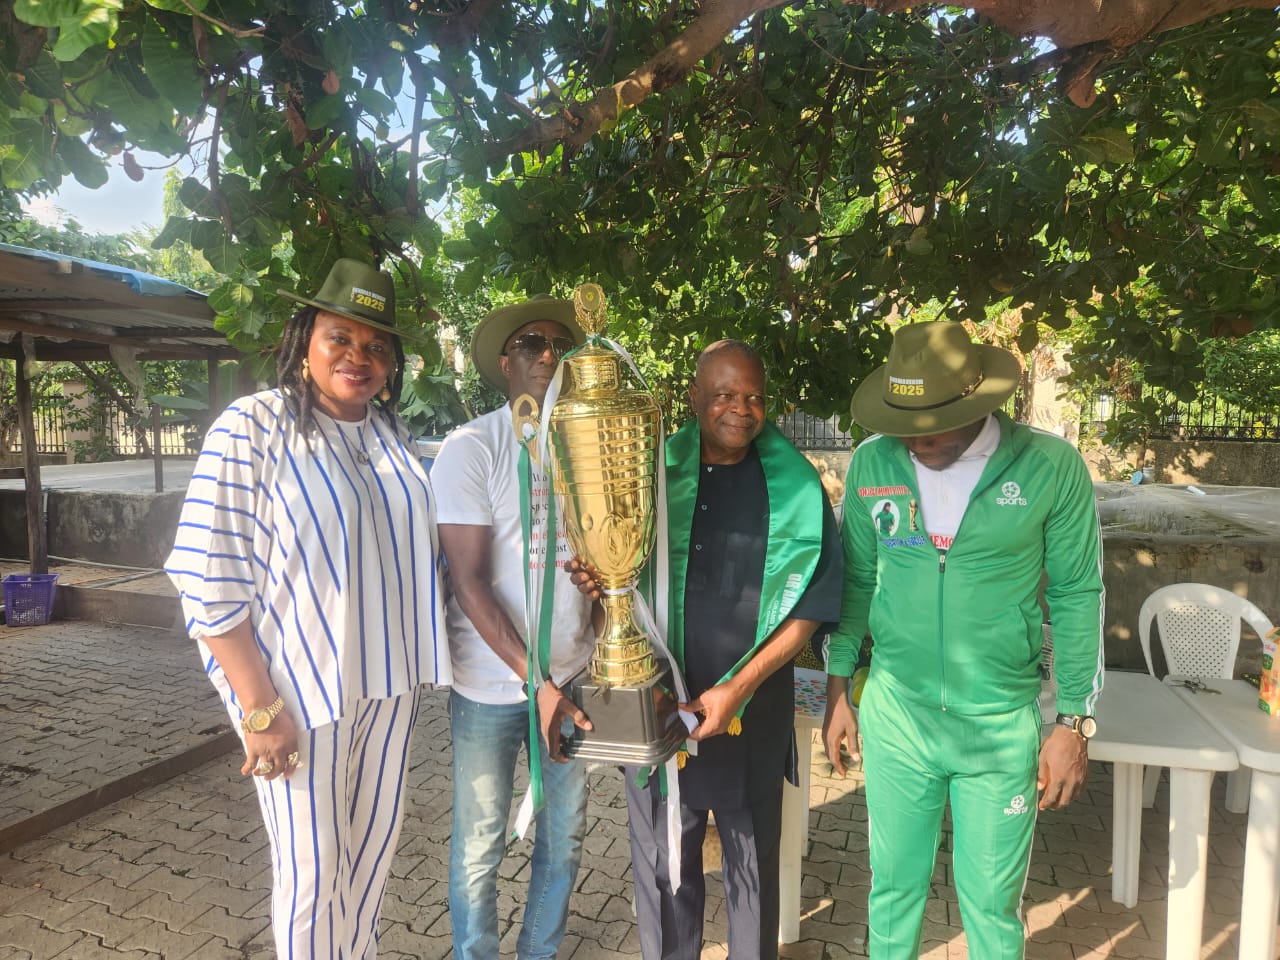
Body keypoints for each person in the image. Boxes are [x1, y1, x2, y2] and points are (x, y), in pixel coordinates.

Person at [166, 257, 450, 958]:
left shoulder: (389, 435)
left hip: (390, 688)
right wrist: (259, 710)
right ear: (304, 341)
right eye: (340, 338)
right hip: (297, 693)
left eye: (376, 345)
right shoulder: (253, 427)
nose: (359, 357)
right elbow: (208, 575)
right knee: (314, 873)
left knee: (370, 863)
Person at [822, 320, 1104, 960]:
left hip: (998, 727)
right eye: (905, 424)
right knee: (892, 892)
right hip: (898, 716)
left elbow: (1077, 593)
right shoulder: (873, 463)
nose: (916, 441)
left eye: (934, 425)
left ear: (979, 403)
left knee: (991, 907)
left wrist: (1073, 722)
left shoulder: (1048, 467)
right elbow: (857, 581)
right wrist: (838, 688)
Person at [595, 339, 843, 960]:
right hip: (658, 704)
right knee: (664, 867)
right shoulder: (647, 474)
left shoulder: (795, 486)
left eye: (754, 396)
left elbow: (811, 607)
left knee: (752, 868)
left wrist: (739, 687)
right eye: (725, 394)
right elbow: (614, 580)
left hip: (749, 711)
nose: (741, 408)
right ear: (694, 398)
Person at [429, 296, 596, 960]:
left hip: (573, 677)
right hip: (490, 689)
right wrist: (538, 684)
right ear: (506, 364)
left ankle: (539, 952)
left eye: (560, 344)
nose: (549, 354)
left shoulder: (586, 448)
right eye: (532, 343)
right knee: (480, 845)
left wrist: (601, 591)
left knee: (565, 838)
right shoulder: (473, 447)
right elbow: (468, 580)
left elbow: (603, 559)